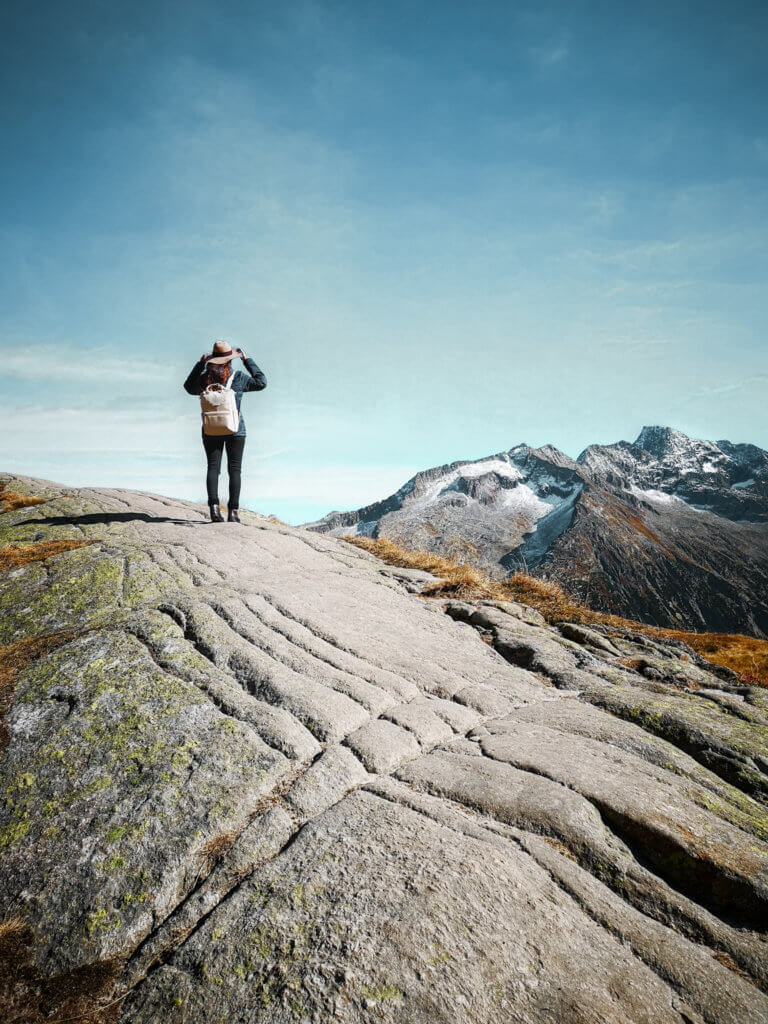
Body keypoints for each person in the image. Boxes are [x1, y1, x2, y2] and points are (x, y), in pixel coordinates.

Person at [183, 341, 267, 522]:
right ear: (230, 360)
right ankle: (233, 513)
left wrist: (199, 365)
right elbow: (261, 382)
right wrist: (247, 360)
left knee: (213, 468)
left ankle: (214, 509)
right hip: (235, 429)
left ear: (211, 359)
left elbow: (188, 387)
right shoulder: (238, 377)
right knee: (234, 470)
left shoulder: (204, 378)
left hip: (210, 429)